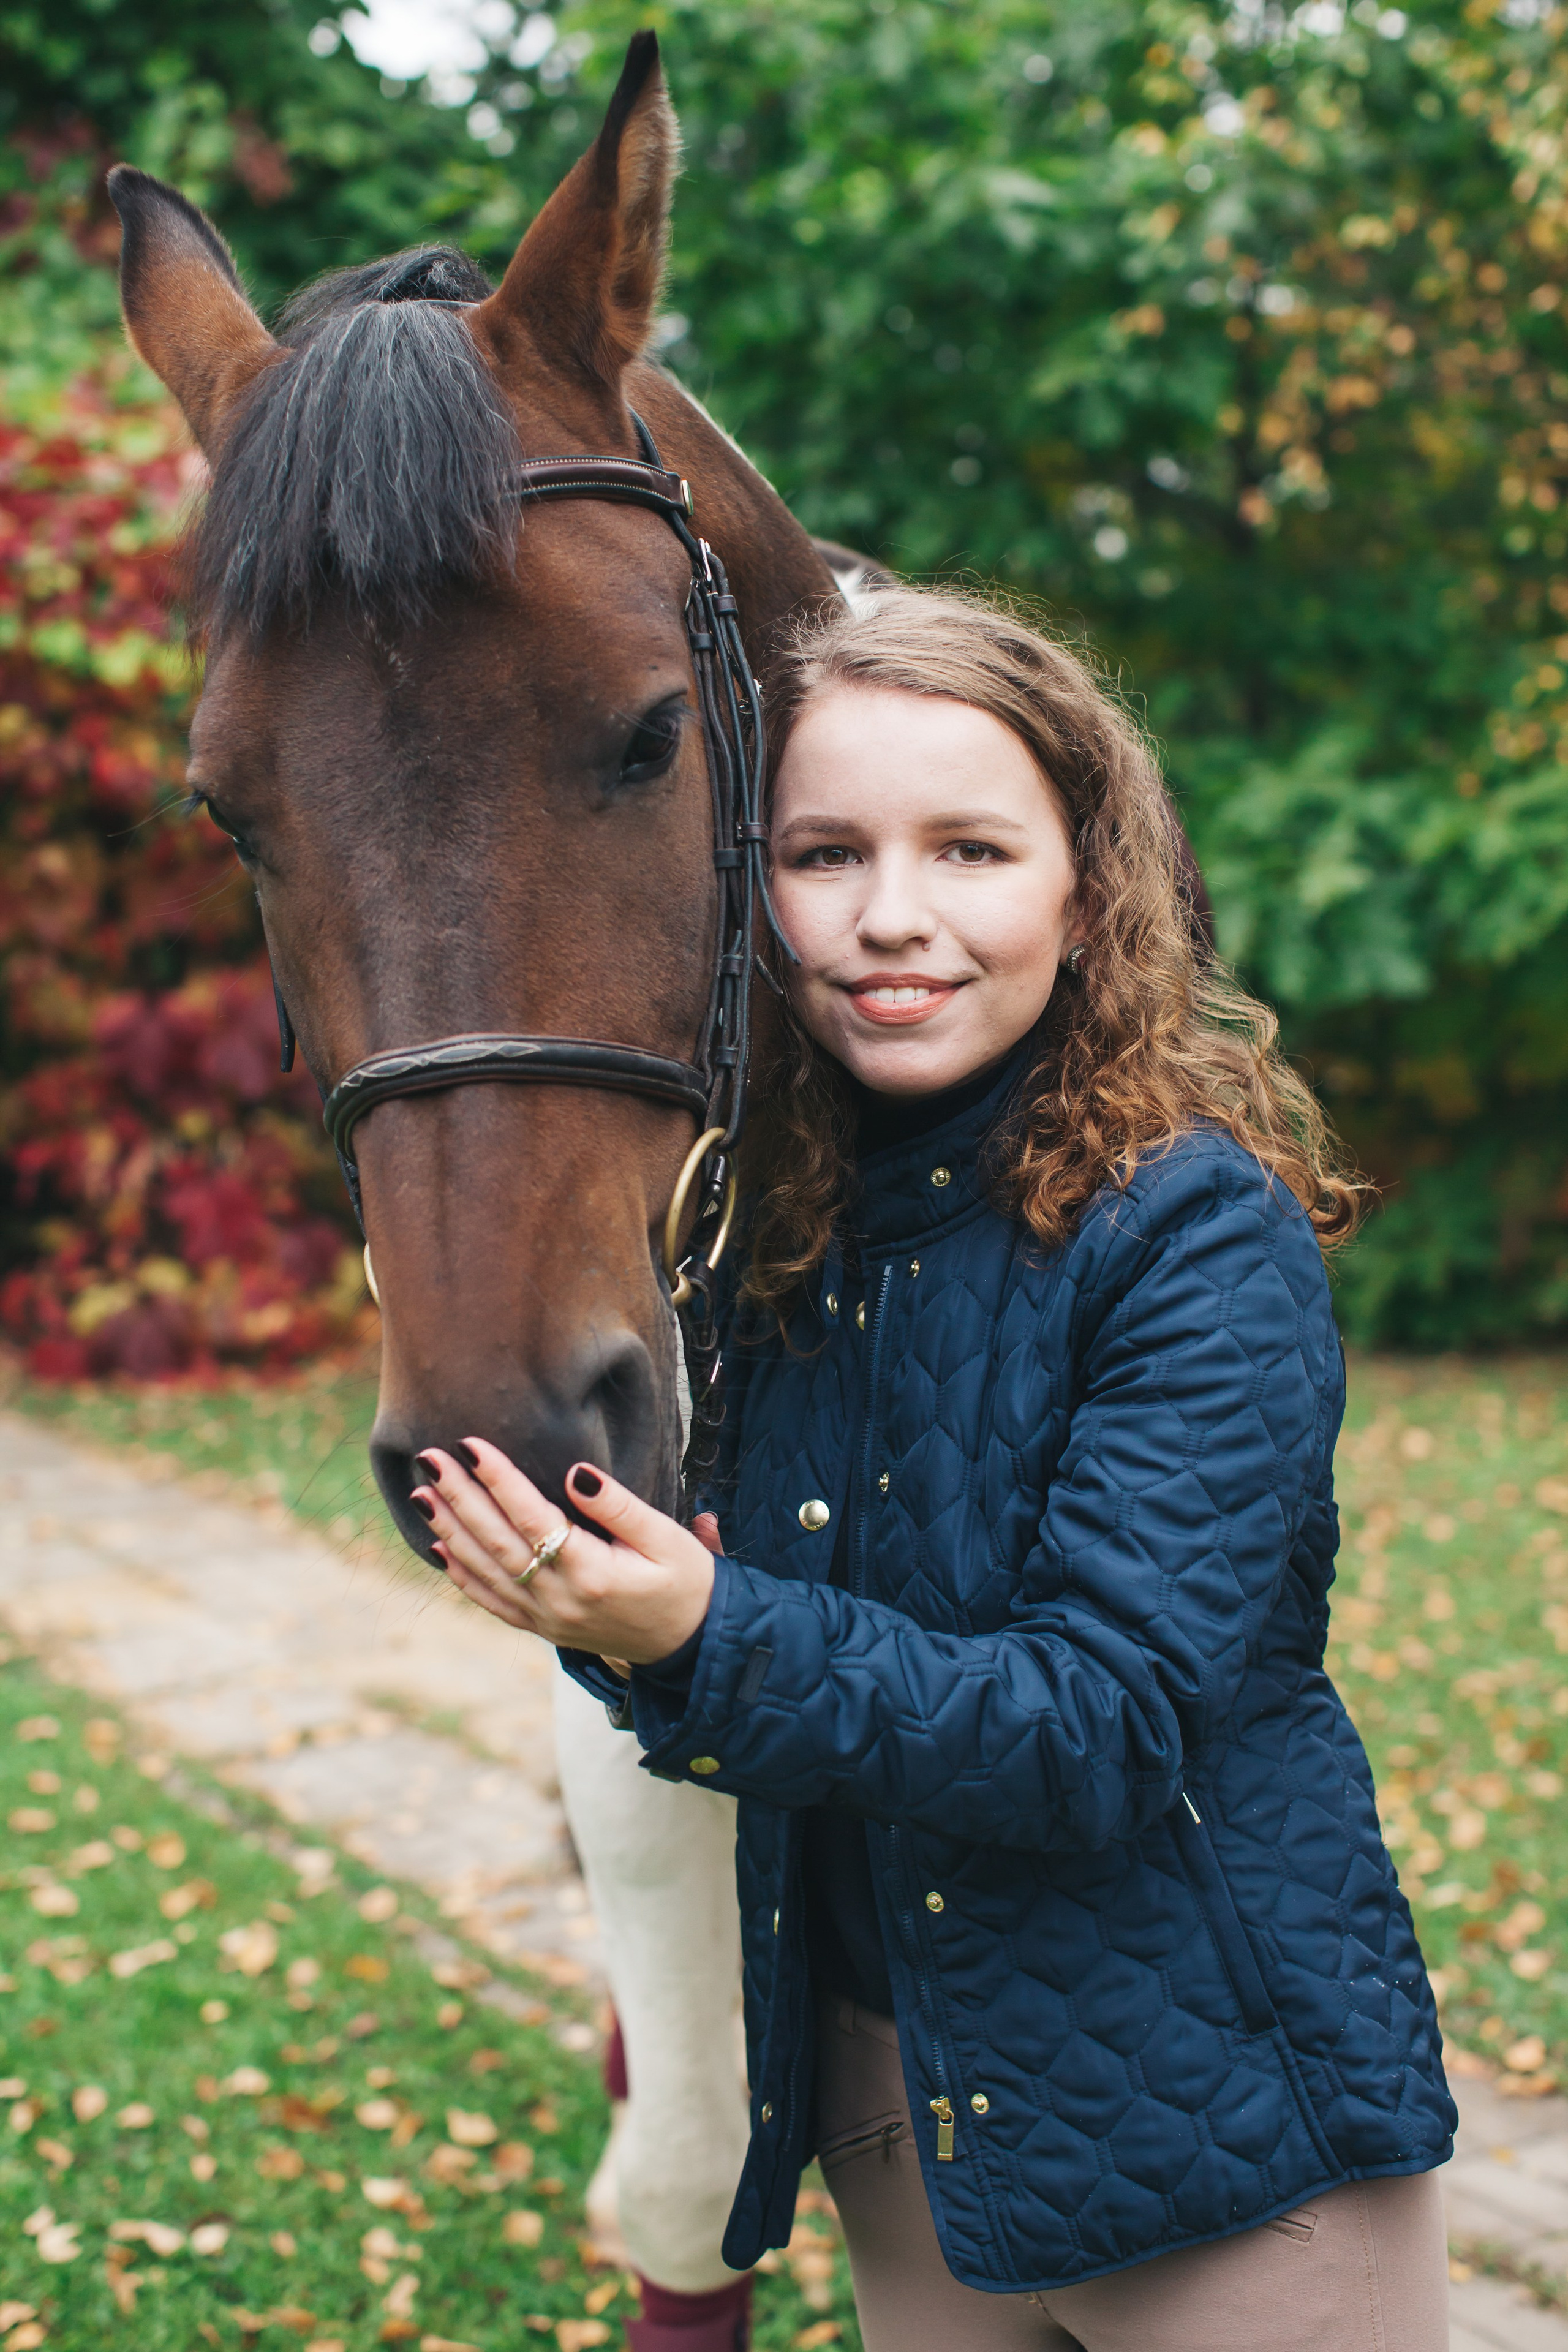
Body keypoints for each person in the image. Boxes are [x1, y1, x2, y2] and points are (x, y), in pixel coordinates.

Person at [410, 586, 1456, 2351]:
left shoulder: (1191, 1233)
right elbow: (737, 1668)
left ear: (1083, 881)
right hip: (910, 2111)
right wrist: (597, 1607)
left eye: (970, 849)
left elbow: (1100, 1722)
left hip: (1218, 2126)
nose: (892, 919)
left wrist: (699, 1629)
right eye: (825, 855)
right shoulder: (772, 1234)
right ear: (751, 894)